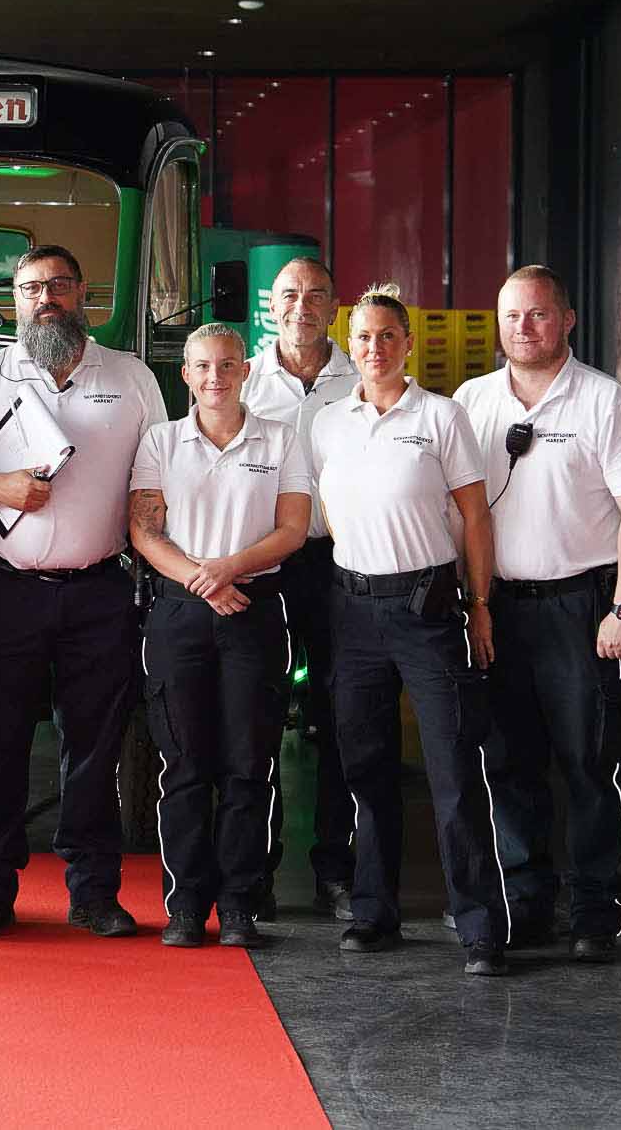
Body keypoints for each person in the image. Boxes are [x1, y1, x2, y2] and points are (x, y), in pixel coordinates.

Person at [0, 244, 168, 939]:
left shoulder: (130, 376)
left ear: (82, 292)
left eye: (58, 285)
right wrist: (0, 487)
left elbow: (159, 475)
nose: (45, 299)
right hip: (5, 590)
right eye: (32, 288)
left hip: (100, 591)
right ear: (16, 298)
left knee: (94, 746)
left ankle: (93, 892)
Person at [455, 265, 621, 963]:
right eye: (512, 315)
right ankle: (528, 905)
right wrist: (471, 602)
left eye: (539, 314)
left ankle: (594, 911)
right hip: (498, 608)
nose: (524, 327)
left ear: (567, 319)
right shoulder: (472, 401)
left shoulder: (605, 401)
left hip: (581, 609)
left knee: (589, 763)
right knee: (509, 764)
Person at [310, 283, 511, 977]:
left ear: (408, 343)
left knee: (453, 768)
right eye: (364, 337)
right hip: (353, 609)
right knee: (365, 768)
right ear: (350, 344)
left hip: (427, 609)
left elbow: (476, 515)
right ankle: (374, 912)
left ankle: (480, 925)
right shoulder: (328, 423)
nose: (375, 348)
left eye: (388, 336)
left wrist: (479, 603)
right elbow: (326, 511)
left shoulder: (441, 415)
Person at [129, 324, 313, 949]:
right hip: (180, 612)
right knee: (183, 764)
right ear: (185, 374)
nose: (215, 377)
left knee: (248, 764)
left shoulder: (281, 439)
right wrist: (202, 581)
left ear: (245, 372)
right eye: (203, 366)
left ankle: (239, 904)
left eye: (228, 365)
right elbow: (145, 531)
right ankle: (185, 905)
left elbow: (292, 530)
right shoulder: (161, 441)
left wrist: (227, 570)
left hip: (253, 609)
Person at [240, 255, 359, 921]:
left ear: (335, 306)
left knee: (344, 714)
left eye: (316, 294)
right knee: (258, 711)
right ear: (271, 306)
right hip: (265, 563)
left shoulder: (363, 377)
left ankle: (336, 869)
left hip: (344, 565)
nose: (302, 306)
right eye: (289, 294)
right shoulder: (243, 380)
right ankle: (256, 868)